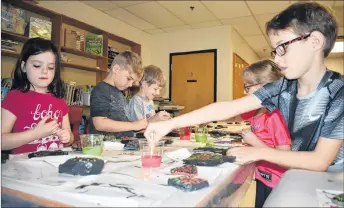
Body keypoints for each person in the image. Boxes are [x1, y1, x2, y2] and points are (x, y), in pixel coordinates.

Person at [144, 2, 343, 173]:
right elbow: (227, 108)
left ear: (315, 41)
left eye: (283, 46)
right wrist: (170, 124)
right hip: (299, 176)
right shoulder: (283, 86)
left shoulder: (339, 92)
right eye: (275, 50)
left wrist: (260, 151)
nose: (277, 58)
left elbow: (320, 161)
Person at [2, 38, 73, 154]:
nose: (45, 71)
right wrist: (36, 133)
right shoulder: (14, 97)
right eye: (37, 65)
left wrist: (68, 137)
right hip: (24, 167)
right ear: (24, 67)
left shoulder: (59, 100)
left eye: (50, 67)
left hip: (54, 165)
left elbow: (69, 137)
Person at [239, 59, 292, 207]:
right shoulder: (259, 111)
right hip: (263, 176)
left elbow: (285, 155)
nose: (244, 91)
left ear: (265, 87)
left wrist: (253, 140)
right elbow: (236, 113)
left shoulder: (275, 115)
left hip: (276, 180)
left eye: (247, 86)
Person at [90, 51, 147, 138]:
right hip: (106, 147)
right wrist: (134, 125)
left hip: (121, 145)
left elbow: (123, 123)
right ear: (116, 69)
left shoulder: (119, 92)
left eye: (133, 81)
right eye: (129, 79)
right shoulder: (101, 89)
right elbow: (100, 123)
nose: (130, 84)